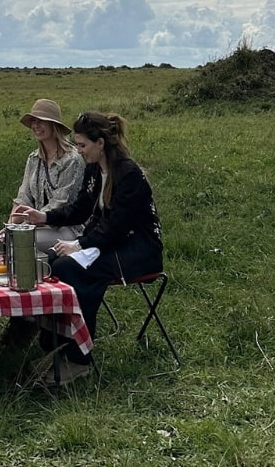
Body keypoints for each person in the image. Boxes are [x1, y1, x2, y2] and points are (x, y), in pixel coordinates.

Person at [15, 110, 163, 382]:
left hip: (138, 251)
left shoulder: (128, 174)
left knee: (72, 270)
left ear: (100, 144)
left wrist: (80, 245)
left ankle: (79, 358)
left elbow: (117, 227)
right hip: (110, 243)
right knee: (48, 262)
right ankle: (55, 345)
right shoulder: (95, 170)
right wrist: (44, 217)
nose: (79, 151)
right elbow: (81, 209)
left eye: (82, 145)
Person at [11, 98, 85, 252]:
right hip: (35, 224)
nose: (36, 126)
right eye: (33, 121)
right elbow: (23, 197)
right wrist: (10, 225)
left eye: (41, 121)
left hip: (66, 227)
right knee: (5, 239)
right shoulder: (34, 158)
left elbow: (61, 203)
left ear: (54, 125)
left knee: (22, 241)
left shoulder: (72, 159)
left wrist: (27, 223)